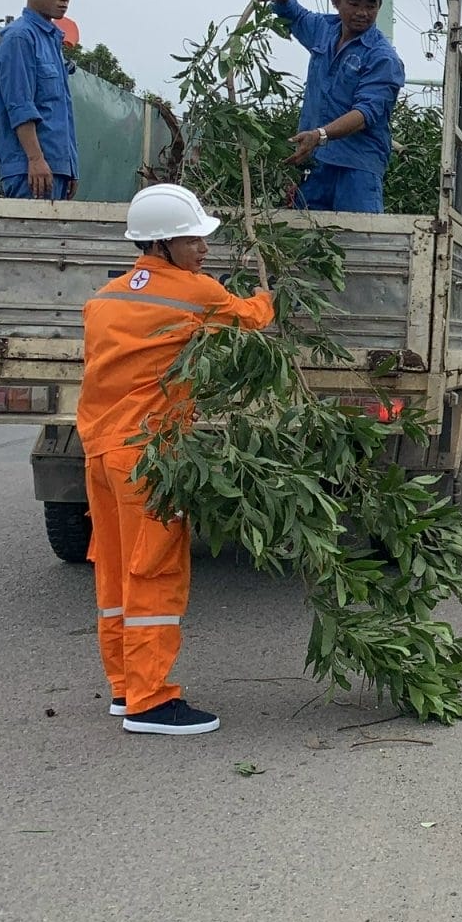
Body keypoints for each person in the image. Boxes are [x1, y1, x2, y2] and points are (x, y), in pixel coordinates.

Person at [77, 184, 273, 735]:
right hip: (148, 458)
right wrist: (265, 294)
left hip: (100, 450)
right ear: (162, 243)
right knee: (154, 572)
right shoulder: (195, 292)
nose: (204, 248)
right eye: (194, 239)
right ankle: (151, 701)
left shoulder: (106, 297)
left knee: (115, 572)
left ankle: (123, 687)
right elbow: (251, 321)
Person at [251, 0, 406, 214]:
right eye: (354, 3)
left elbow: (366, 113)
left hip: (357, 167)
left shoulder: (382, 58)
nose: (362, 13)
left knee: (359, 242)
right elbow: (298, 16)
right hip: (316, 162)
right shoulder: (326, 30)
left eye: (371, 6)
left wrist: (320, 135)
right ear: (336, 1)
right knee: (304, 239)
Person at [0, 0, 80, 200]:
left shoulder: (52, 40)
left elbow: (61, 113)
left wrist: (70, 169)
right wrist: (36, 159)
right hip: (29, 171)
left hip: (56, 169)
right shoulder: (19, 38)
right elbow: (19, 105)